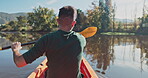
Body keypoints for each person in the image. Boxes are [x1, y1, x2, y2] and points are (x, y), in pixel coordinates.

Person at [11, 6, 86, 78]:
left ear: (58, 21)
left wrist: (15, 50)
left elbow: (19, 62)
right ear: (73, 23)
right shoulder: (81, 39)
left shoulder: (47, 39)